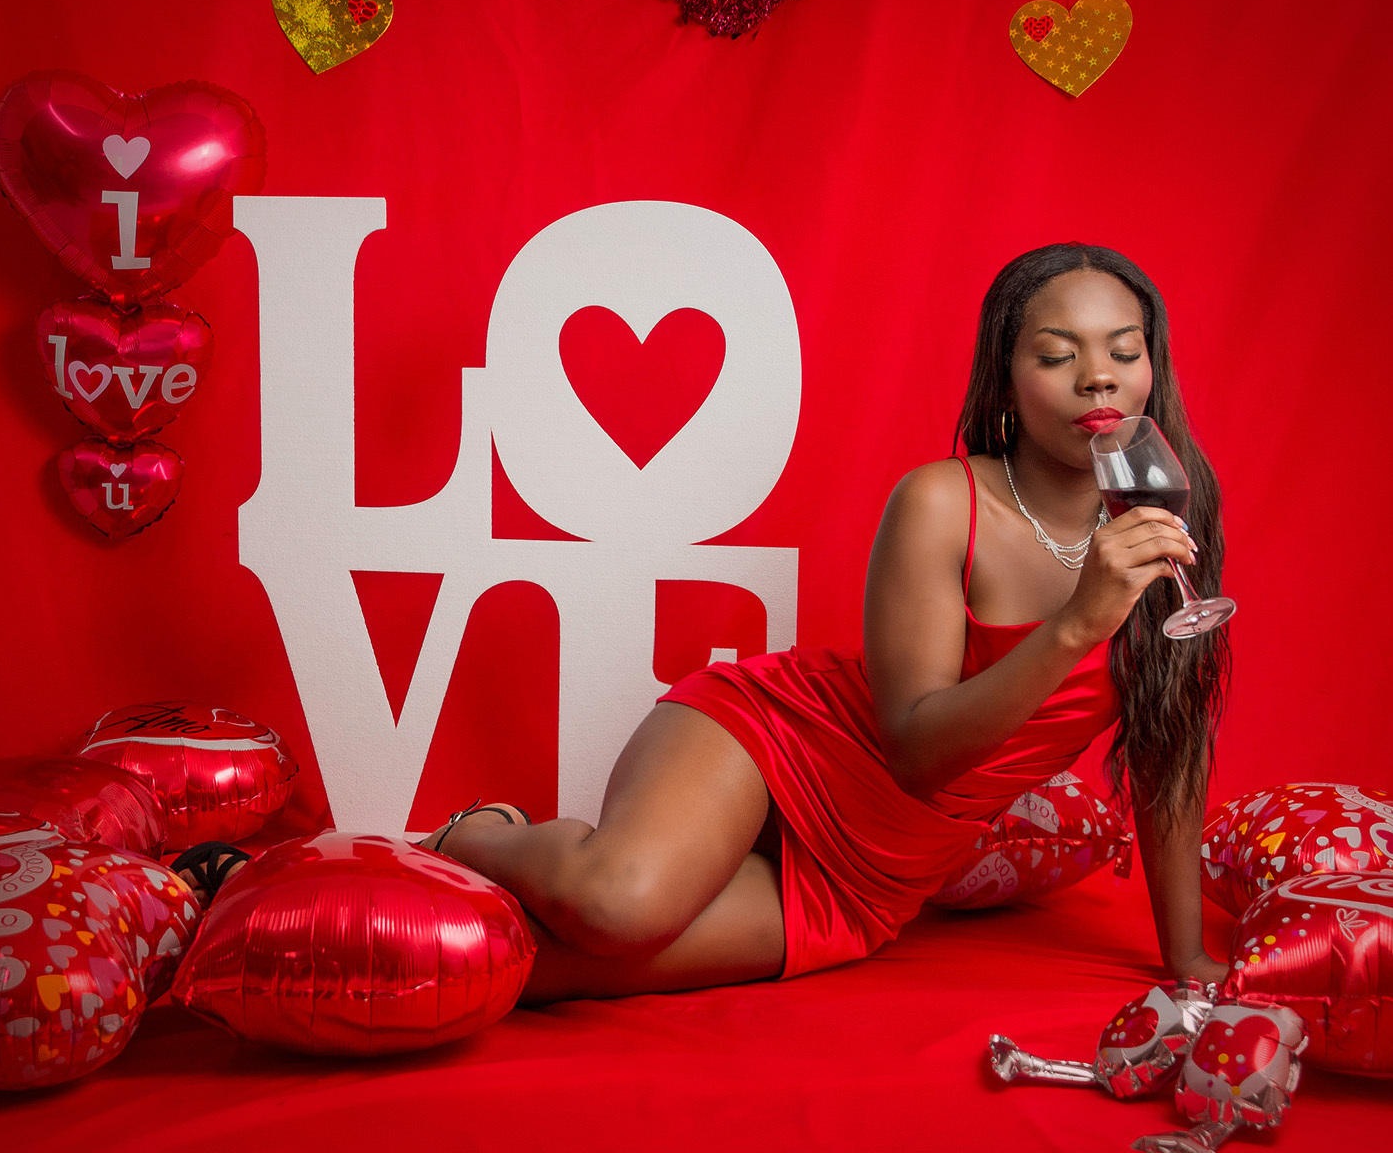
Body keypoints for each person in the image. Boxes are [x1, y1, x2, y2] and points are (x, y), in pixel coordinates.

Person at [186, 243, 1232, 1005]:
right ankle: (475, 834)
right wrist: (1075, 625)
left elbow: (1170, 750)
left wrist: (1185, 960)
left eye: (1124, 350)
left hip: (880, 866)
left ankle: (267, 918)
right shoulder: (942, 501)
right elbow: (917, 748)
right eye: (1056, 354)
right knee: (617, 905)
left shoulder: (1174, 508)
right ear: (1005, 377)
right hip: (784, 743)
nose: (1099, 376)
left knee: (544, 969)